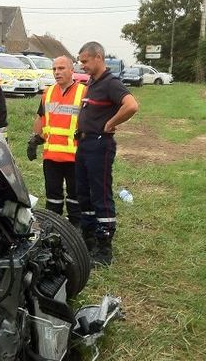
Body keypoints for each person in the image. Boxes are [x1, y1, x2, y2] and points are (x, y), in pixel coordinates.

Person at [75, 41, 139, 265]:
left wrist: (111, 122)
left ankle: (104, 250)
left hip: (99, 146)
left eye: (85, 61)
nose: (81, 65)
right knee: (84, 194)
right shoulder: (92, 82)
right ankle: (88, 240)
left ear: (98, 58)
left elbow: (131, 105)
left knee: (100, 195)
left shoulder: (111, 83)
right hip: (84, 144)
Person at [27, 56, 86, 227]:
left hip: (76, 157)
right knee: (53, 199)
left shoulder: (83, 92)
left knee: (75, 199)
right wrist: (34, 139)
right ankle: (52, 229)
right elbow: (41, 117)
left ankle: (75, 232)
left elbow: (93, 120)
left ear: (71, 70)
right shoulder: (48, 92)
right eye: (54, 69)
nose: (57, 72)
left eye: (61, 68)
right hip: (51, 156)